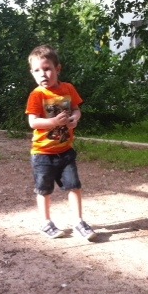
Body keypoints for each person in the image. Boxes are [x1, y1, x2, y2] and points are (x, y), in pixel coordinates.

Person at [25, 45, 97, 241]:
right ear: (32, 73)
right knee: (44, 190)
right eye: (37, 70)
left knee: (74, 186)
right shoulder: (37, 95)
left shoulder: (68, 88)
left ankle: (78, 222)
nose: (43, 74)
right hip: (43, 154)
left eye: (47, 68)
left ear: (58, 69)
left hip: (65, 151)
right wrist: (54, 122)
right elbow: (33, 122)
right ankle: (46, 223)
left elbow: (76, 109)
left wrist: (75, 118)